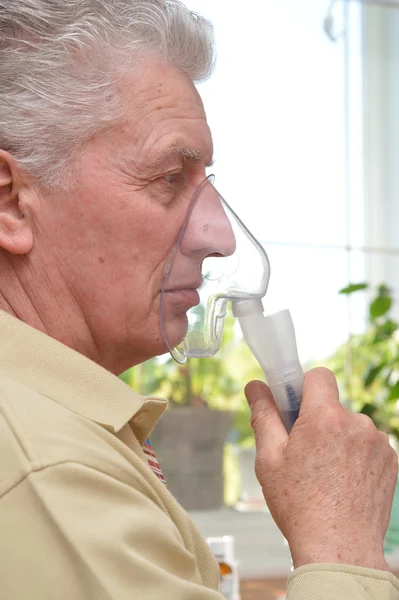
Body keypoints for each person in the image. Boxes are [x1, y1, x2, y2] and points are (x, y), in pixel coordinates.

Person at [0, 1, 397, 599]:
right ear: (11, 203)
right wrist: (341, 549)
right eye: (168, 179)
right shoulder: (49, 470)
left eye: (204, 180)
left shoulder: (59, 429)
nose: (221, 236)